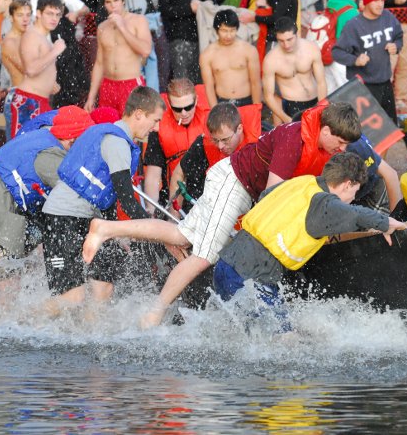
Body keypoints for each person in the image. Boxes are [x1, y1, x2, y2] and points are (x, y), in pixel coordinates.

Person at [82, 102, 362, 328]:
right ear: (324, 130)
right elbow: (272, 197)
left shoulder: (319, 141)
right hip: (234, 182)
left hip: (235, 182)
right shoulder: (293, 139)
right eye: (338, 142)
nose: (341, 149)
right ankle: (153, 315)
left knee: (181, 235)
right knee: (205, 255)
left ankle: (106, 228)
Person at [212, 152, 407, 307]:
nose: (353, 198)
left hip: (225, 263)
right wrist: (388, 224)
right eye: (355, 192)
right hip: (251, 275)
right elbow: (356, 214)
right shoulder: (324, 203)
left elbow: (265, 195)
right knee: (287, 342)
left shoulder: (303, 182)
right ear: (348, 184)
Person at [42, 87, 164, 306]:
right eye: (155, 120)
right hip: (62, 218)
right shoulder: (117, 142)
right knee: (71, 299)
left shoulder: (121, 138)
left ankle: (91, 335)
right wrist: (158, 234)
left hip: (90, 220)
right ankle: (20, 324)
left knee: (104, 286)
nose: (157, 128)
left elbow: (109, 201)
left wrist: (118, 234)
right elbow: (127, 200)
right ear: (138, 114)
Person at [0, 106, 94, 276]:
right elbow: (79, 197)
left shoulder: (42, 134)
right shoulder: (51, 157)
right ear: (73, 139)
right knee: (7, 280)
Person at [332, 0, 403, 123]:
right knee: (365, 132)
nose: (380, 4)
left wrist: (396, 46)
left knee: (389, 129)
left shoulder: (387, 17)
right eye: (375, 0)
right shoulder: (354, 25)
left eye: (382, 0)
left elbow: (399, 36)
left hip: (384, 83)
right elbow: (336, 52)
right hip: (363, 86)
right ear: (366, 2)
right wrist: (355, 60)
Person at [171, 101, 262, 210]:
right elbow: (178, 173)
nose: (220, 146)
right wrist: (173, 218)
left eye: (225, 140)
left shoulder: (259, 150)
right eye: (215, 140)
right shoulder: (203, 144)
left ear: (239, 129)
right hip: (208, 206)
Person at [142, 77, 210, 213]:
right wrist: (151, 210)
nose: (183, 113)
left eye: (188, 107)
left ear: (196, 100)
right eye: (177, 109)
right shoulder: (158, 129)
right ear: (169, 103)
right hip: (172, 196)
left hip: (206, 194)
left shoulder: (209, 122)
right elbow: (153, 176)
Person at [5, 0, 65, 138]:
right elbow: (30, 69)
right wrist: (55, 51)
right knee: (22, 151)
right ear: (38, 13)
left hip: (39, 100)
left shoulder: (43, 38)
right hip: (29, 101)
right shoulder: (31, 35)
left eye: (57, 14)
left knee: (36, 151)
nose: (54, 18)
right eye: (50, 13)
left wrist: (50, 84)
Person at [85, 0, 152, 115]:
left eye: (116, 1)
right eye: (108, 2)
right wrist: (91, 97)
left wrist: (122, 27)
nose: (113, 6)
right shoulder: (102, 27)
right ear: (104, 5)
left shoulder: (138, 20)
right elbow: (99, 64)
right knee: (108, 128)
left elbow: (145, 50)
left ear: (123, 1)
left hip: (131, 84)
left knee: (132, 130)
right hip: (108, 86)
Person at [263, 17, 327, 124]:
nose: (286, 45)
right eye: (281, 41)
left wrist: (322, 106)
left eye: (289, 39)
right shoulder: (271, 60)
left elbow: (321, 82)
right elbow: (268, 96)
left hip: (315, 100)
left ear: (297, 34)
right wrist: (285, 117)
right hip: (291, 105)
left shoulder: (311, 48)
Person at [201, 10, 261, 107]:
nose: (228, 36)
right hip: (222, 102)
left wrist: (257, 108)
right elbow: (209, 87)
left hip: (247, 101)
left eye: (232, 30)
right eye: (224, 31)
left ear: (237, 29)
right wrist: (215, 110)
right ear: (216, 30)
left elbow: (256, 82)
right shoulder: (208, 54)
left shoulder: (249, 50)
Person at [0, 0, 32, 118]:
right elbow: (29, 70)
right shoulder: (10, 42)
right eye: (20, 15)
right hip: (20, 97)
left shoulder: (26, 38)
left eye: (28, 15)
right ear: (11, 18)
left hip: (29, 96)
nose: (25, 19)